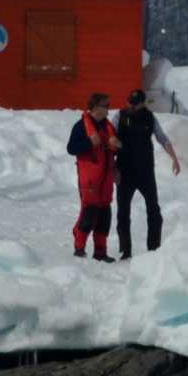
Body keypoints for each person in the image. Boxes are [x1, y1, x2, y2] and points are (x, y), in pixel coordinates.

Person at [114, 88, 181, 259]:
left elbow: (162, 138)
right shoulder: (119, 116)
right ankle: (125, 250)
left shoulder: (150, 117)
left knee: (154, 211)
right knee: (123, 212)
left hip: (145, 172)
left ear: (143, 103)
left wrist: (174, 158)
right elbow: (110, 140)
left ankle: (154, 248)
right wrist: (113, 168)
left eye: (135, 103)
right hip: (124, 171)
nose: (131, 105)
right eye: (130, 102)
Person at [68, 92, 121, 261]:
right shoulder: (81, 126)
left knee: (105, 215)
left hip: (106, 179)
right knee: (90, 213)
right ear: (96, 107)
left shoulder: (107, 127)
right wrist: (90, 143)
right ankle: (79, 247)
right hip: (89, 179)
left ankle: (100, 252)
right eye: (106, 105)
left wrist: (118, 146)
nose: (108, 109)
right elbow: (71, 148)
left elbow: (116, 150)